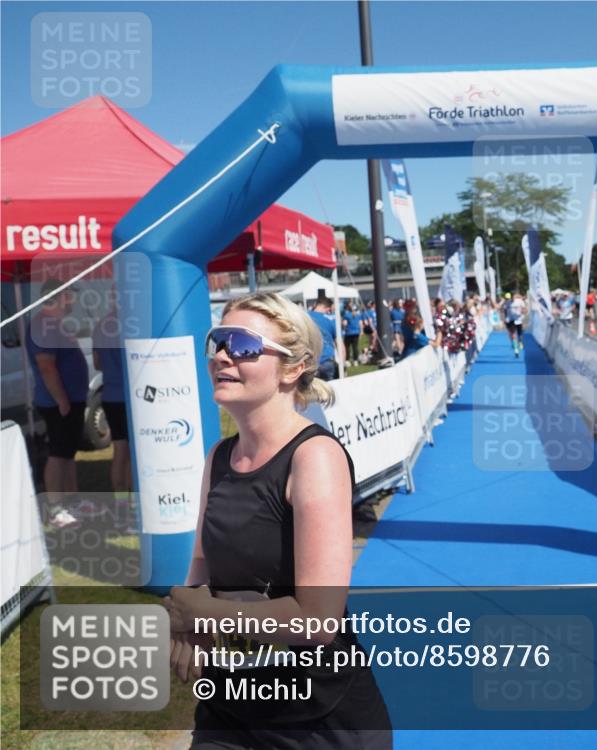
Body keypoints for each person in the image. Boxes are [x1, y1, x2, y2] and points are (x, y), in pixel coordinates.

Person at [164, 292, 391, 748]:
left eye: (243, 345)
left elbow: (318, 620)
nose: (221, 356)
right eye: (217, 342)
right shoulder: (220, 456)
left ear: (292, 369)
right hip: (230, 704)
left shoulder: (314, 457)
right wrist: (188, 620)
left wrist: (205, 613)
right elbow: (202, 568)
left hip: (315, 718)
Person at [27, 279, 88, 529]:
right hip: (58, 403)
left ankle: (72, 502)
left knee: (67, 453)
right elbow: (46, 367)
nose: (73, 299)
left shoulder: (55, 324)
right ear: (59, 296)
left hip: (70, 400)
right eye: (70, 294)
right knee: (58, 454)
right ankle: (55, 509)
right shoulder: (43, 325)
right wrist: (62, 400)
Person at [92, 303, 135, 530]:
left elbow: (97, 363)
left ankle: (122, 510)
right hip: (130, 397)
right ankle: (131, 510)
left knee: (120, 452)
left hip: (110, 395)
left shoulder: (100, 326)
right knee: (133, 454)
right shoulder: (132, 324)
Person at [307, 296, 339, 380]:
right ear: (327, 309)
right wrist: (342, 365)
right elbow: (340, 344)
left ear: (315, 304)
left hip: (310, 362)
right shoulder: (331, 319)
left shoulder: (305, 317)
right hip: (327, 361)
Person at [341, 302, 363, 367]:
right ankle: (355, 360)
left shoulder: (346, 315)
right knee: (355, 347)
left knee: (347, 347)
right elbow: (360, 323)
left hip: (348, 333)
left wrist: (342, 324)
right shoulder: (358, 315)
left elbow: (345, 324)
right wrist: (361, 331)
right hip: (356, 333)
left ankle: (347, 360)